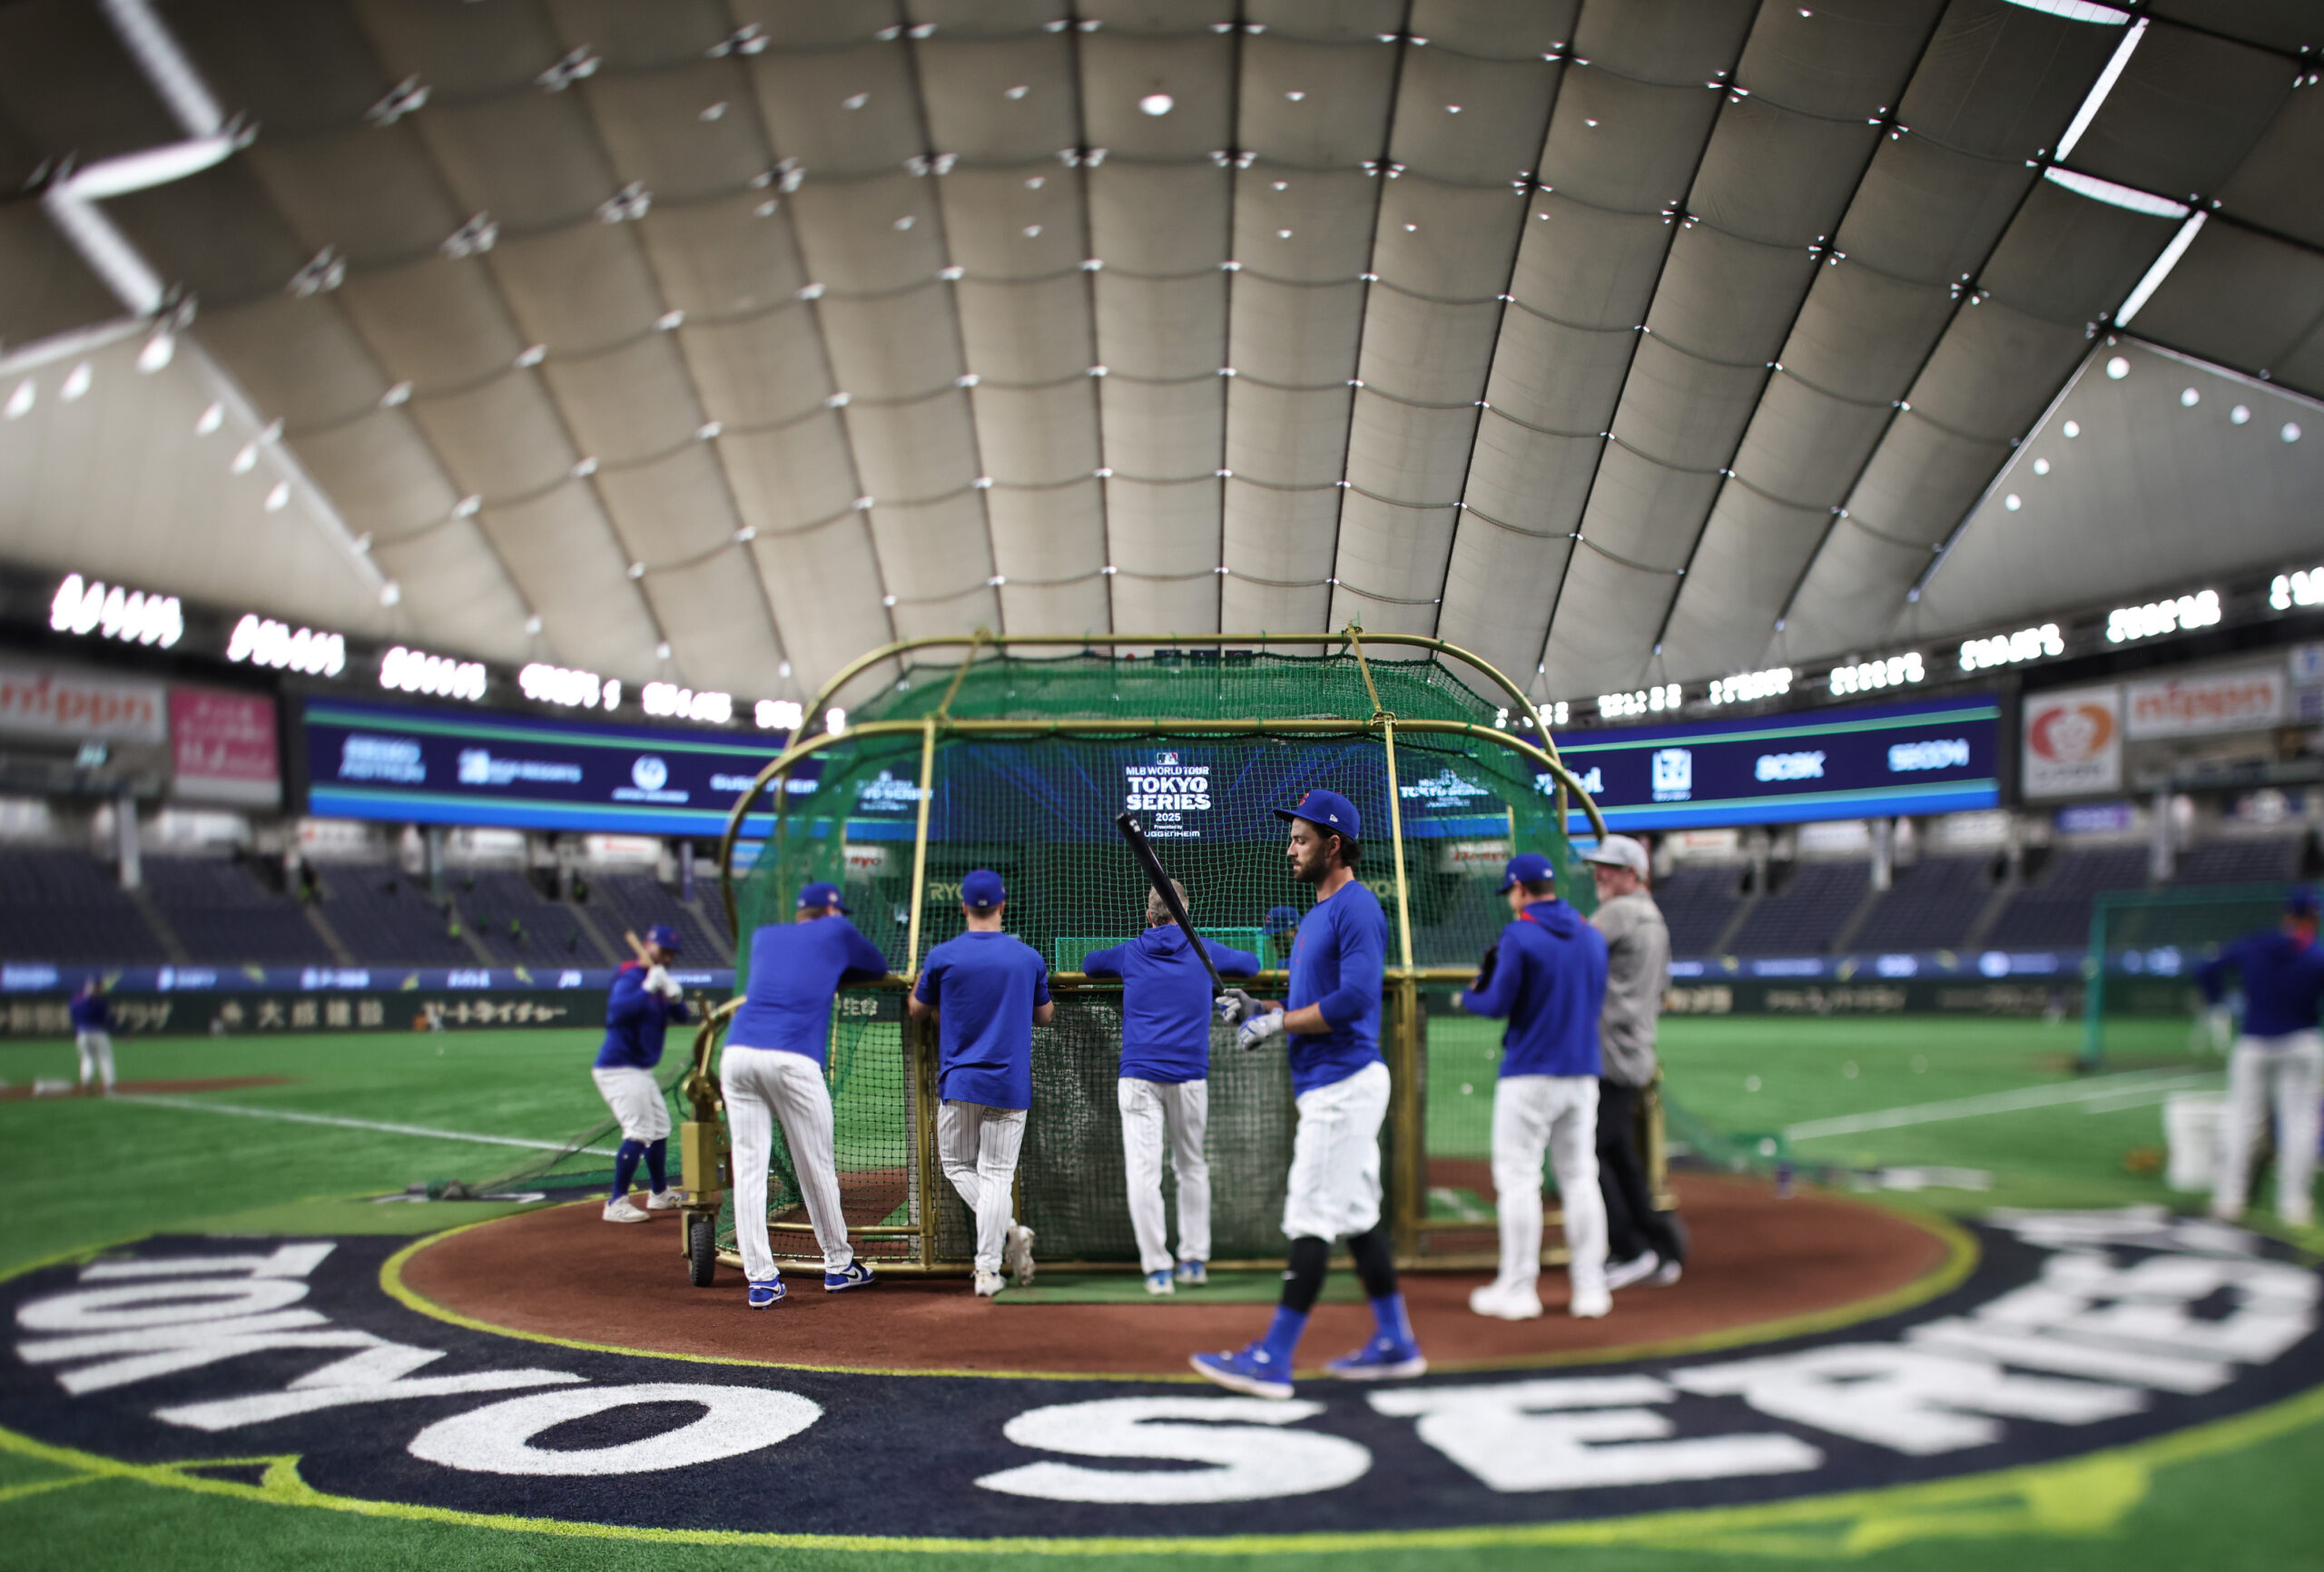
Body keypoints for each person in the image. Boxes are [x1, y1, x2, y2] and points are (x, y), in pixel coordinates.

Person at [1197, 788, 1423, 1398]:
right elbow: (1307, 1005)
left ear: (1335, 843)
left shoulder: (1356, 908)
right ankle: (1396, 1341)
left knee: (1310, 1216)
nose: (1289, 849)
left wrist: (1275, 1024)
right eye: (1291, 838)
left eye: (1300, 839)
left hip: (1342, 1084)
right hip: (1333, 1084)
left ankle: (1273, 1358)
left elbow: (1353, 1001)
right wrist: (1260, 1007)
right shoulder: (1318, 915)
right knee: (1357, 1217)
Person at [1084, 880, 1261, 1294]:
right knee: (1191, 1166)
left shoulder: (1130, 952)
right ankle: (1194, 1261)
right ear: (1186, 914)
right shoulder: (1206, 951)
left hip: (1140, 1077)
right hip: (1188, 1076)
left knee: (1144, 1174)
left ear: (1149, 916)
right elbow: (1250, 965)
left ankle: (1157, 1270)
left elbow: (1092, 964)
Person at [722, 880, 892, 1308]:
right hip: (792, 1058)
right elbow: (877, 966)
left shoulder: (765, 936)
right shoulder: (838, 931)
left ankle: (761, 1281)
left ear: (800, 911)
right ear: (832, 911)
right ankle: (838, 1265)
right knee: (815, 1165)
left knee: (748, 1171)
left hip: (738, 1054)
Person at [1458, 852, 1611, 1319]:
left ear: (1521, 889)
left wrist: (1469, 993)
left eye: (1511, 893)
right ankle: (1591, 1290)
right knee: (1581, 1178)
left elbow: (1495, 1003)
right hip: (1582, 1072)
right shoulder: (1592, 934)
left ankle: (1519, 1289)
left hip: (1528, 1072)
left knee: (1520, 1180)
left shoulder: (1519, 934)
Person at [910, 870, 1053, 1296]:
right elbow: (1045, 1017)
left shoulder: (943, 955)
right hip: (1010, 1085)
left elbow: (918, 1010)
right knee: (997, 1176)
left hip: (961, 1081)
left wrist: (917, 983)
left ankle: (1006, 1237)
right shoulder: (1028, 957)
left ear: (964, 907)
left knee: (957, 1166)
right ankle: (988, 1270)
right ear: (1003, 906)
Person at [1583, 834, 1687, 1289]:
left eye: (1608, 867)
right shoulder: (1656, 919)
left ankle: (1630, 1249)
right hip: (1635, 1052)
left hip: (1609, 1056)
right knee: (1621, 1153)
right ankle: (1662, 1245)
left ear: (1633, 873)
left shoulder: (1620, 912)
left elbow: (1572, 953)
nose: (1597, 873)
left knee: (1592, 1152)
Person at [2198, 886, 2324, 1229]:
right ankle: (2294, 1204)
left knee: (2241, 1121)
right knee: (2299, 1125)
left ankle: (2229, 1199)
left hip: (2254, 1042)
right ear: (2314, 917)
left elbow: (2206, 970)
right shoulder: (2315, 954)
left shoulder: (2256, 944)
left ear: (2287, 914)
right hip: (2301, 1042)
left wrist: (2220, 1002)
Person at [594, 923, 690, 1223]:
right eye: (665, 951)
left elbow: (683, 1016)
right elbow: (618, 1012)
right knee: (638, 1131)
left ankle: (659, 1193)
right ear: (649, 947)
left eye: (673, 954)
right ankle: (616, 1202)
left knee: (660, 1127)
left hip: (640, 1069)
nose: (669, 958)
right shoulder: (631, 976)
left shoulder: (660, 979)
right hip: (619, 1067)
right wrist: (649, 986)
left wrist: (674, 997)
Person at [70, 978, 115, 1095]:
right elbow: (106, 1019)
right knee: (105, 1058)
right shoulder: (99, 1002)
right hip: (98, 1033)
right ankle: (109, 1085)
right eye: (99, 987)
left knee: (87, 1058)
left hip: (82, 1034)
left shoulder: (76, 1000)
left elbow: (73, 1016)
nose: (101, 989)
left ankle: (86, 1081)